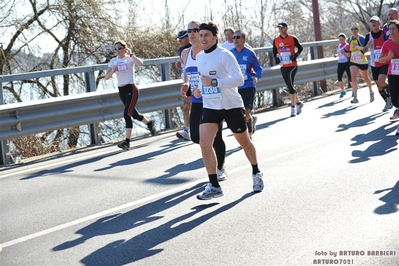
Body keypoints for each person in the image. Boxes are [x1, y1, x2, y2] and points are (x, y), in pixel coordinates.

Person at [194, 21, 264, 200]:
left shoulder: (225, 55)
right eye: (201, 35)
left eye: (206, 35)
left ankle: (256, 172)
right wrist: (198, 89)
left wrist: (215, 82)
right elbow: (204, 80)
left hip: (231, 105)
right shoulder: (200, 56)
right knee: (204, 143)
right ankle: (214, 185)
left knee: (244, 141)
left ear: (215, 37)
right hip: (211, 105)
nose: (203, 39)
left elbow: (239, 80)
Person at [180, 21, 227, 181]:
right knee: (195, 136)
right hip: (197, 102)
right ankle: (211, 153)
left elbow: (220, 73)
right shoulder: (185, 53)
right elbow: (187, 72)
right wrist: (186, 84)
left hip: (213, 100)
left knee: (217, 138)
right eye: (189, 31)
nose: (192, 33)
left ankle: (220, 167)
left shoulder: (210, 53)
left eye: (195, 30)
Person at [105, 40, 156, 151]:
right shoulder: (114, 61)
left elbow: (140, 63)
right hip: (121, 90)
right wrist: (112, 71)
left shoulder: (129, 59)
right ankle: (149, 123)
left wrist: (132, 54)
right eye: (115, 49)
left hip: (131, 88)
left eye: (119, 48)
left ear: (124, 48)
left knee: (126, 113)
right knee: (134, 114)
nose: (117, 51)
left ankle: (126, 142)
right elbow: (106, 77)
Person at [230, 29, 263, 137]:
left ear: (244, 39)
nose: (235, 39)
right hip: (235, 87)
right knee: (240, 113)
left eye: (238, 37)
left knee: (246, 110)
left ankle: (249, 135)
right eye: (234, 37)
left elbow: (259, 69)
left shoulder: (249, 53)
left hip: (248, 85)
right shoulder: (230, 54)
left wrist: (256, 77)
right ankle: (251, 120)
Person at [273, 22, 304, 117]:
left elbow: (300, 48)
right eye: (279, 28)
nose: (280, 29)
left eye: (282, 28)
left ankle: (293, 107)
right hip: (283, 66)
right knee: (289, 86)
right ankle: (299, 103)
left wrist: (296, 55)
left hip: (293, 65)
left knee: (290, 85)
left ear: (287, 28)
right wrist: (276, 58)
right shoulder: (276, 40)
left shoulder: (292, 38)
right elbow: (274, 51)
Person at [363, 16, 393, 112]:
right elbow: (363, 51)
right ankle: (387, 100)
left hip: (384, 61)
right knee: (378, 84)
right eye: (372, 22)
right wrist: (367, 46)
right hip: (374, 63)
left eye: (375, 22)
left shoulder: (384, 34)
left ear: (379, 23)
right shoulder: (368, 36)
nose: (373, 24)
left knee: (381, 81)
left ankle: (392, 95)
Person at [347, 22, 374, 104]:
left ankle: (371, 91)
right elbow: (348, 48)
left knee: (365, 77)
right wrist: (348, 53)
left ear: (358, 30)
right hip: (353, 60)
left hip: (362, 60)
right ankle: (355, 97)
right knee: (353, 77)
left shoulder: (361, 38)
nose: (353, 30)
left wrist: (357, 47)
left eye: (355, 29)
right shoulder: (350, 39)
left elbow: (366, 49)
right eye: (352, 29)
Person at [379, 20, 399, 128]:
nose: (391, 31)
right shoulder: (387, 44)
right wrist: (388, 57)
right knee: (395, 100)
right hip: (392, 74)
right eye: (390, 29)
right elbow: (380, 59)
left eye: (394, 29)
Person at [175, 30, 192, 141]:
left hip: (196, 80)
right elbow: (184, 64)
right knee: (186, 106)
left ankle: (198, 127)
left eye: (181, 38)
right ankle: (186, 129)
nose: (180, 41)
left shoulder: (195, 47)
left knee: (195, 106)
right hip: (186, 81)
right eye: (178, 39)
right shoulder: (181, 50)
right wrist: (179, 63)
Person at [335, 33, 352, 98]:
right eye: (340, 40)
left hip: (346, 62)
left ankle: (354, 90)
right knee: (339, 77)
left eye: (342, 39)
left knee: (350, 77)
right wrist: (336, 55)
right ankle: (342, 90)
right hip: (340, 63)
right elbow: (339, 53)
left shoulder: (347, 45)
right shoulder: (339, 45)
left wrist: (344, 53)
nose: (341, 41)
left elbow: (349, 55)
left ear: (345, 39)